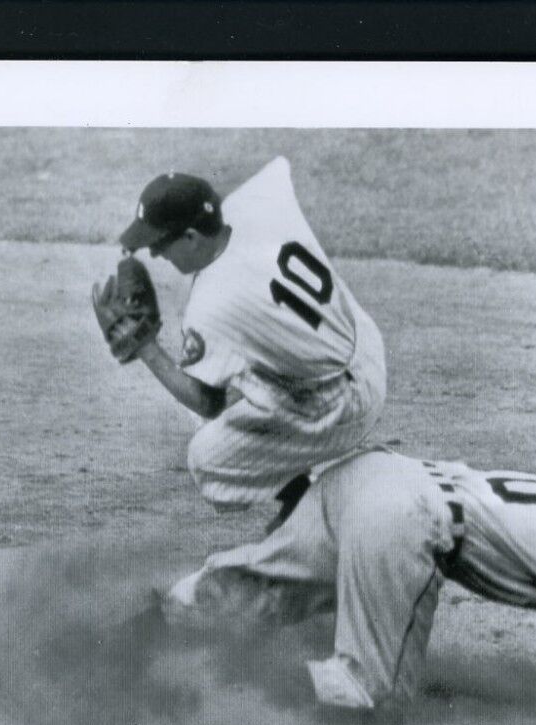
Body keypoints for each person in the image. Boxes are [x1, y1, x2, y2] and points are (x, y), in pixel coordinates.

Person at [161, 447, 536, 713]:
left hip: (367, 476)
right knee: (374, 696)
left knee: (251, 595)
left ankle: (143, 638)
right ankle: (243, 683)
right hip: (408, 521)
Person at [117, 158, 386, 518]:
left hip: (344, 407)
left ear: (192, 238)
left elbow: (207, 402)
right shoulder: (254, 205)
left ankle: (307, 510)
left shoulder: (211, 306)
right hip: (366, 350)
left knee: (208, 455)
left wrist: (146, 348)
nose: (154, 254)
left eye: (160, 244)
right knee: (241, 372)